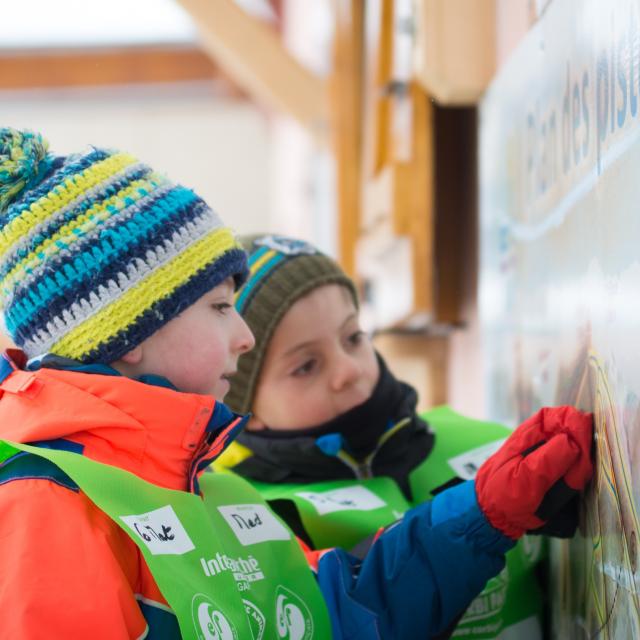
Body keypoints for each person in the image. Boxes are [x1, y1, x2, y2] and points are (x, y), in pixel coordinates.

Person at [0, 130, 592, 640]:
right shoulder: (49, 505)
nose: (244, 337)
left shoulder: (210, 492)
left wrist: (484, 511)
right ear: (129, 330)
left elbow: (346, 616)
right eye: (218, 307)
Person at [219, 234, 594, 639]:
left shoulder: (487, 443)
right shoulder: (247, 515)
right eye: (306, 366)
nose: (348, 370)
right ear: (245, 409)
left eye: (353, 337)